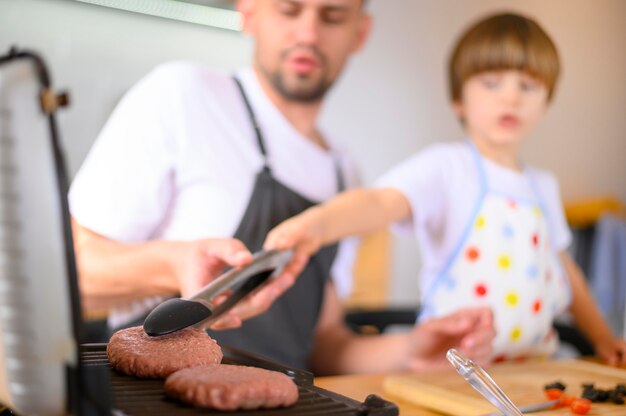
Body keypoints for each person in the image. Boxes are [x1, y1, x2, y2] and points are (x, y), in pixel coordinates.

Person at [69, 0, 495, 374]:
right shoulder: (183, 96)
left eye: (332, 16)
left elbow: (327, 343)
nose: (308, 33)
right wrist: (175, 264)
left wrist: (412, 349)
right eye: (289, 9)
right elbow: (69, 268)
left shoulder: (345, 175)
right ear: (249, 11)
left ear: (359, 33)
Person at [266, 12, 626, 365]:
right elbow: (379, 202)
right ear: (458, 99)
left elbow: (567, 273)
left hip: (534, 369)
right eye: (491, 82)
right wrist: (319, 224)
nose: (511, 98)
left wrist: (602, 339)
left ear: (545, 102)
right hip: (452, 370)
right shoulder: (447, 168)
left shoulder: (544, 185)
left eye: (528, 86)